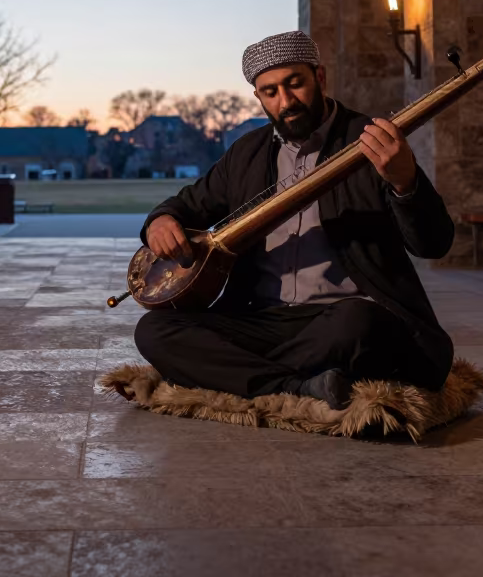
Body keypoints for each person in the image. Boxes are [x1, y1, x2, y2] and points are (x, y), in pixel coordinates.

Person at [133, 30, 456, 410]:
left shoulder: (370, 139)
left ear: (319, 78)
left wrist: (405, 182)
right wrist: (161, 220)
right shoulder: (246, 154)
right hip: (261, 319)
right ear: (258, 98)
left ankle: (247, 378)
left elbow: (433, 243)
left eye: (295, 84)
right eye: (270, 92)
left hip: (340, 316)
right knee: (154, 331)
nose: (285, 102)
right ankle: (299, 386)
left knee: (361, 325)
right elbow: (186, 204)